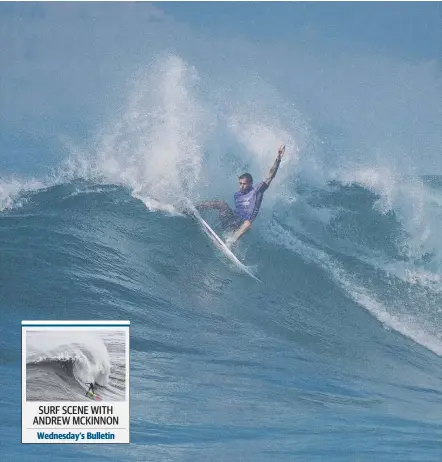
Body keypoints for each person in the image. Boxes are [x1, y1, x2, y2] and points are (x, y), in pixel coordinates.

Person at [197, 144, 285, 247]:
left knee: (248, 224)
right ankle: (195, 207)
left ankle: (231, 242)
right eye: (240, 183)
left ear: (251, 183)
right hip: (231, 221)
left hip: (241, 226)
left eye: (244, 184)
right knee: (221, 203)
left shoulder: (257, 191)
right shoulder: (238, 195)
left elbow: (270, 176)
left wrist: (278, 159)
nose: (241, 186)